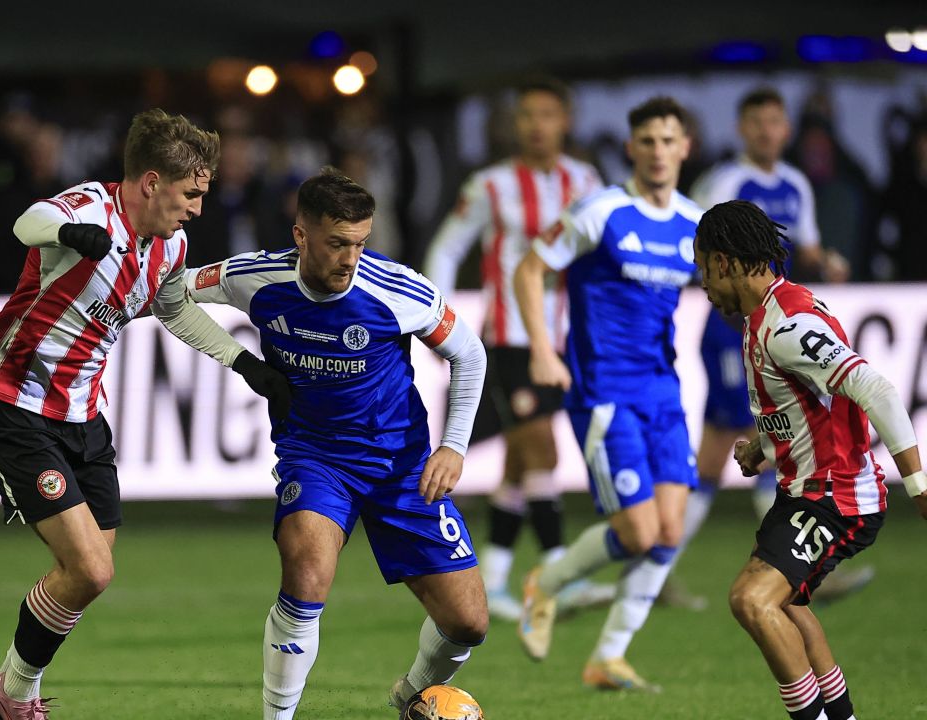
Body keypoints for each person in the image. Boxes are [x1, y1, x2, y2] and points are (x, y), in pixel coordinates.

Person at [0, 108, 291, 720]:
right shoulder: (90, 209)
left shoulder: (172, 244)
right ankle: (14, 697)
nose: (198, 207)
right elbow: (27, 222)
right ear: (151, 182)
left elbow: (174, 310)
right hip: (16, 404)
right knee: (90, 570)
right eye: (191, 193)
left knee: (89, 569)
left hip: (86, 419)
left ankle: (10, 692)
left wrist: (244, 364)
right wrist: (66, 237)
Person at [186, 168, 488, 719]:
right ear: (301, 236)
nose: (350, 258)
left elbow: (469, 354)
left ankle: (410, 695)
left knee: (468, 622)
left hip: (403, 464)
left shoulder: (398, 290)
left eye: (360, 243)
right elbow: (168, 294)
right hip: (316, 456)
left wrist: (454, 447)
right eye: (337, 244)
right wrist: (241, 361)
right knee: (306, 573)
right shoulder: (252, 277)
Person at [694, 199, 927, 720]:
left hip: (836, 496)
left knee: (752, 599)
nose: (702, 283)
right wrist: (762, 446)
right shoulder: (766, 316)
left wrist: (918, 485)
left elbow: (878, 391)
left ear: (726, 263)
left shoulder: (788, 326)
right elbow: (806, 404)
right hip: (803, 491)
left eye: (703, 267)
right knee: (786, 603)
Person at [513, 96, 701, 690]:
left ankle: (608, 656)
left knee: (671, 532)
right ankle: (546, 581)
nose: (658, 151)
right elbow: (529, 269)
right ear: (631, 148)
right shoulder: (601, 211)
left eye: (668, 140)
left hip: (663, 392)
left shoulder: (695, 223)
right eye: (646, 140)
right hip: (603, 391)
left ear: (685, 148)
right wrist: (543, 349)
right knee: (640, 533)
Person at [425, 77, 611, 621]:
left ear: (566, 121)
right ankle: (560, 573)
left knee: (518, 460)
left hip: (564, 337)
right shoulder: (490, 185)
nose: (536, 125)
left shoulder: (587, 181)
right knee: (543, 450)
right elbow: (448, 245)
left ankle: (496, 580)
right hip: (507, 338)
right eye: (527, 115)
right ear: (516, 124)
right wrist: (439, 317)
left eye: (547, 114)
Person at [678, 87, 867, 609]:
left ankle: (790, 566)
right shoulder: (724, 181)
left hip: (774, 326)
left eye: (774, 122)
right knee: (722, 444)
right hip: (728, 329)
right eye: (756, 122)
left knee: (776, 444)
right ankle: (658, 567)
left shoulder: (796, 184)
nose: (766, 131)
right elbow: (695, 246)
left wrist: (826, 260)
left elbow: (803, 246)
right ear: (742, 129)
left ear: (786, 130)